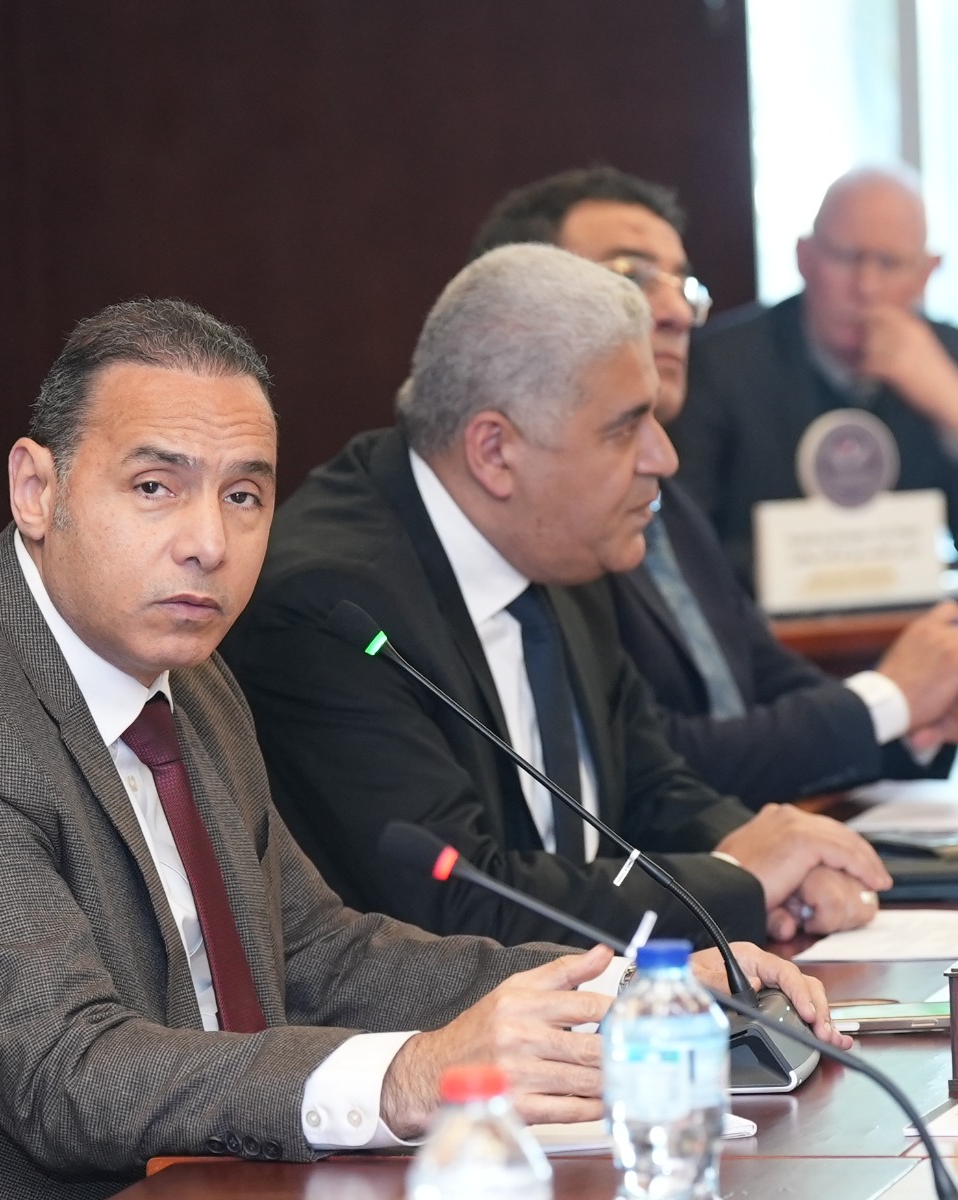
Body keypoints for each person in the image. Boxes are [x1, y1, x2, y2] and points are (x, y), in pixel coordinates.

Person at [0, 298, 837, 1200]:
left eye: (244, 495)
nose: (207, 543)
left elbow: (315, 955)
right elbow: (68, 1074)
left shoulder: (192, 681)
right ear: (37, 488)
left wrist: (626, 995)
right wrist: (407, 1075)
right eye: (154, 487)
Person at [222, 245, 894, 955]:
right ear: (495, 452)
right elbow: (455, 904)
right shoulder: (329, 610)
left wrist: (782, 858)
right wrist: (734, 883)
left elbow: (648, 784)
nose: (663, 458)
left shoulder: (555, 536)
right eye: (625, 428)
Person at [468, 166, 958, 814]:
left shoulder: (667, 499)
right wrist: (889, 700)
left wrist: (910, 716)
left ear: (928, 273)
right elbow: (652, 761)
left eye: (680, 285)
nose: (674, 312)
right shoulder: (553, 511)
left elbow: (759, 671)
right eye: (632, 278)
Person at [667, 165, 958, 590]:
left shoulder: (951, 354)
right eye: (847, 257)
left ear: (927, 272)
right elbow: (683, 548)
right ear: (804, 258)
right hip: (759, 620)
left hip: (911, 616)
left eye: (890, 263)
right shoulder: (724, 362)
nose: (866, 287)